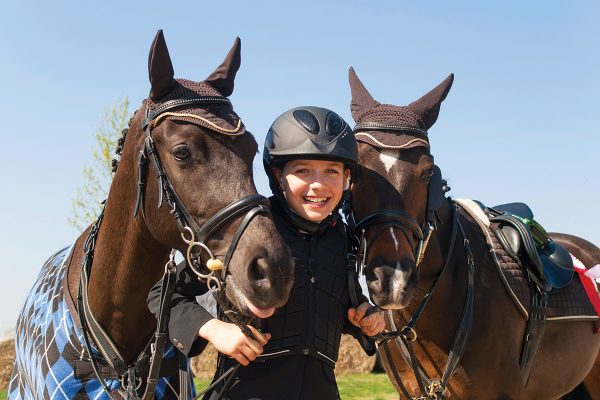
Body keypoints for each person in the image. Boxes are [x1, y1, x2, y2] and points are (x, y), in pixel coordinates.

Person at [148, 106, 385, 400]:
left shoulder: (344, 239)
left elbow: (330, 301)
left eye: (331, 171)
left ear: (347, 177)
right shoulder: (248, 232)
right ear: (278, 175)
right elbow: (163, 296)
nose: (318, 184)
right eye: (303, 171)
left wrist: (365, 318)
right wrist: (213, 329)